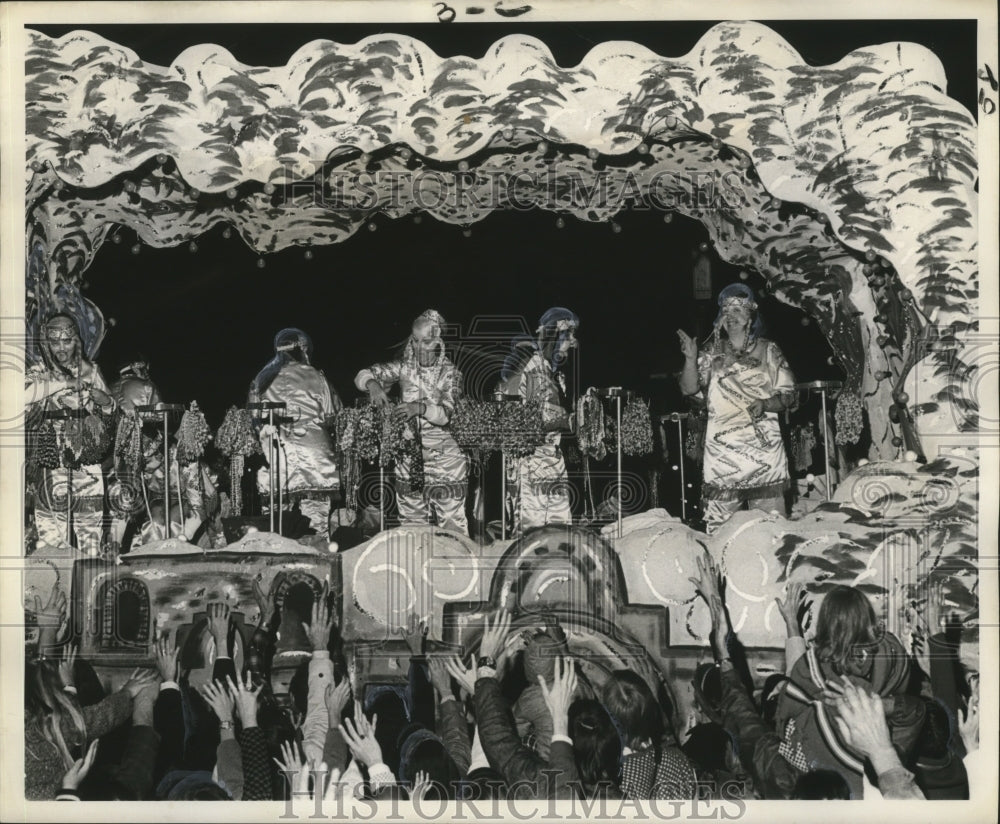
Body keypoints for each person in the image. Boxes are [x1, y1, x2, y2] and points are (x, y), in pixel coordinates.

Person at [676, 283, 795, 534]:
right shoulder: (711, 353)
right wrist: (690, 358)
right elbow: (688, 389)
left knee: (772, 531)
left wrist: (765, 404)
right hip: (723, 457)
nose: (731, 318)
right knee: (720, 531)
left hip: (764, 455)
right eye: (726, 312)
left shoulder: (768, 350)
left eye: (738, 311)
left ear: (751, 315)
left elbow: (788, 395)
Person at [355, 310, 468, 534]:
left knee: (452, 526)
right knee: (412, 527)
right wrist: (373, 385)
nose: (418, 347)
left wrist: (420, 408)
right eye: (414, 341)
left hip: (445, 461)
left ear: (437, 342)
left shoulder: (451, 374)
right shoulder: (404, 367)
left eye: (425, 342)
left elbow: (447, 413)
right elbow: (364, 373)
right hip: (410, 459)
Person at [25, 313, 115, 553]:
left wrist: (106, 402)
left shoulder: (91, 371)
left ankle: (88, 584)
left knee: (91, 532)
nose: (61, 348)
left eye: (67, 341)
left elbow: (111, 415)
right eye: (55, 342)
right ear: (47, 343)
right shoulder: (39, 371)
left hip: (87, 458)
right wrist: (64, 384)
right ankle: (54, 586)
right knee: (52, 536)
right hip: (51, 459)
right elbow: (21, 397)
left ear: (77, 340)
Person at [250, 328, 343, 538]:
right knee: (316, 519)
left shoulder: (261, 378)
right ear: (303, 349)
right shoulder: (315, 375)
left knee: (277, 520)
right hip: (313, 449)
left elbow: (254, 418)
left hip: (276, 449)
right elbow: (333, 414)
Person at [499, 308, 579, 533]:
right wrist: (567, 421)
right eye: (568, 335)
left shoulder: (551, 371)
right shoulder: (531, 366)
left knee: (559, 528)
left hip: (552, 458)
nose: (572, 342)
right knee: (531, 531)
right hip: (531, 461)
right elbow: (523, 421)